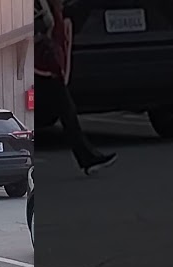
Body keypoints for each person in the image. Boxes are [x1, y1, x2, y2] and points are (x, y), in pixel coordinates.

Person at [35, 0, 117, 175]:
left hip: (44, 60)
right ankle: (86, 157)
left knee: (65, 108)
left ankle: (87, 157)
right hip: (38, 60)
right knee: (64, 109)